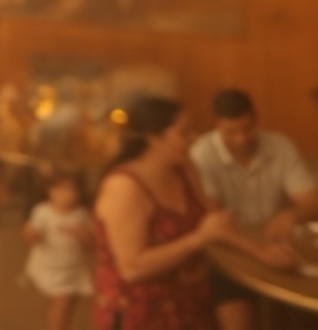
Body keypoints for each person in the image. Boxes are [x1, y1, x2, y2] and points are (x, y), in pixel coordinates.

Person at [92, 97, 294, 330]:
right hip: (140, 310)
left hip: (189, 301)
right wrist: (198, 239)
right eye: (184, 133)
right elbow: (132, 268)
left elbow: (215, 226)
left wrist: (262, 253)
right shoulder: (124, 186)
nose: (194, 138)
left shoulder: (184, 168)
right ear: (154, 138)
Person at [189, 89, 318, 330]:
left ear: (256, 119)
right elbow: (216, 222)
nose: (241, 139)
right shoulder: (201, 154)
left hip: (278, 247)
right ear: (217, 125)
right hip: (230, 252)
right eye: (231, 133)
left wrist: (291, 214)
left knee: (300, 315)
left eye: (247, 129)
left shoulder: (280, 145)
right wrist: (260, 253)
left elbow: (311, 200)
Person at [23, 174, 94, 330]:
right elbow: (30, 234)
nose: (69, 194)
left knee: (70, 302)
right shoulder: (43, 211)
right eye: (62, 189)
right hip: (51, 267)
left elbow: (92, 243)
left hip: (75, 269)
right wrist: (32, 234)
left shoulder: (82, 214)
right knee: (62, 303)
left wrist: (82, 234)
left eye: (73, 189)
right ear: (51, 191)